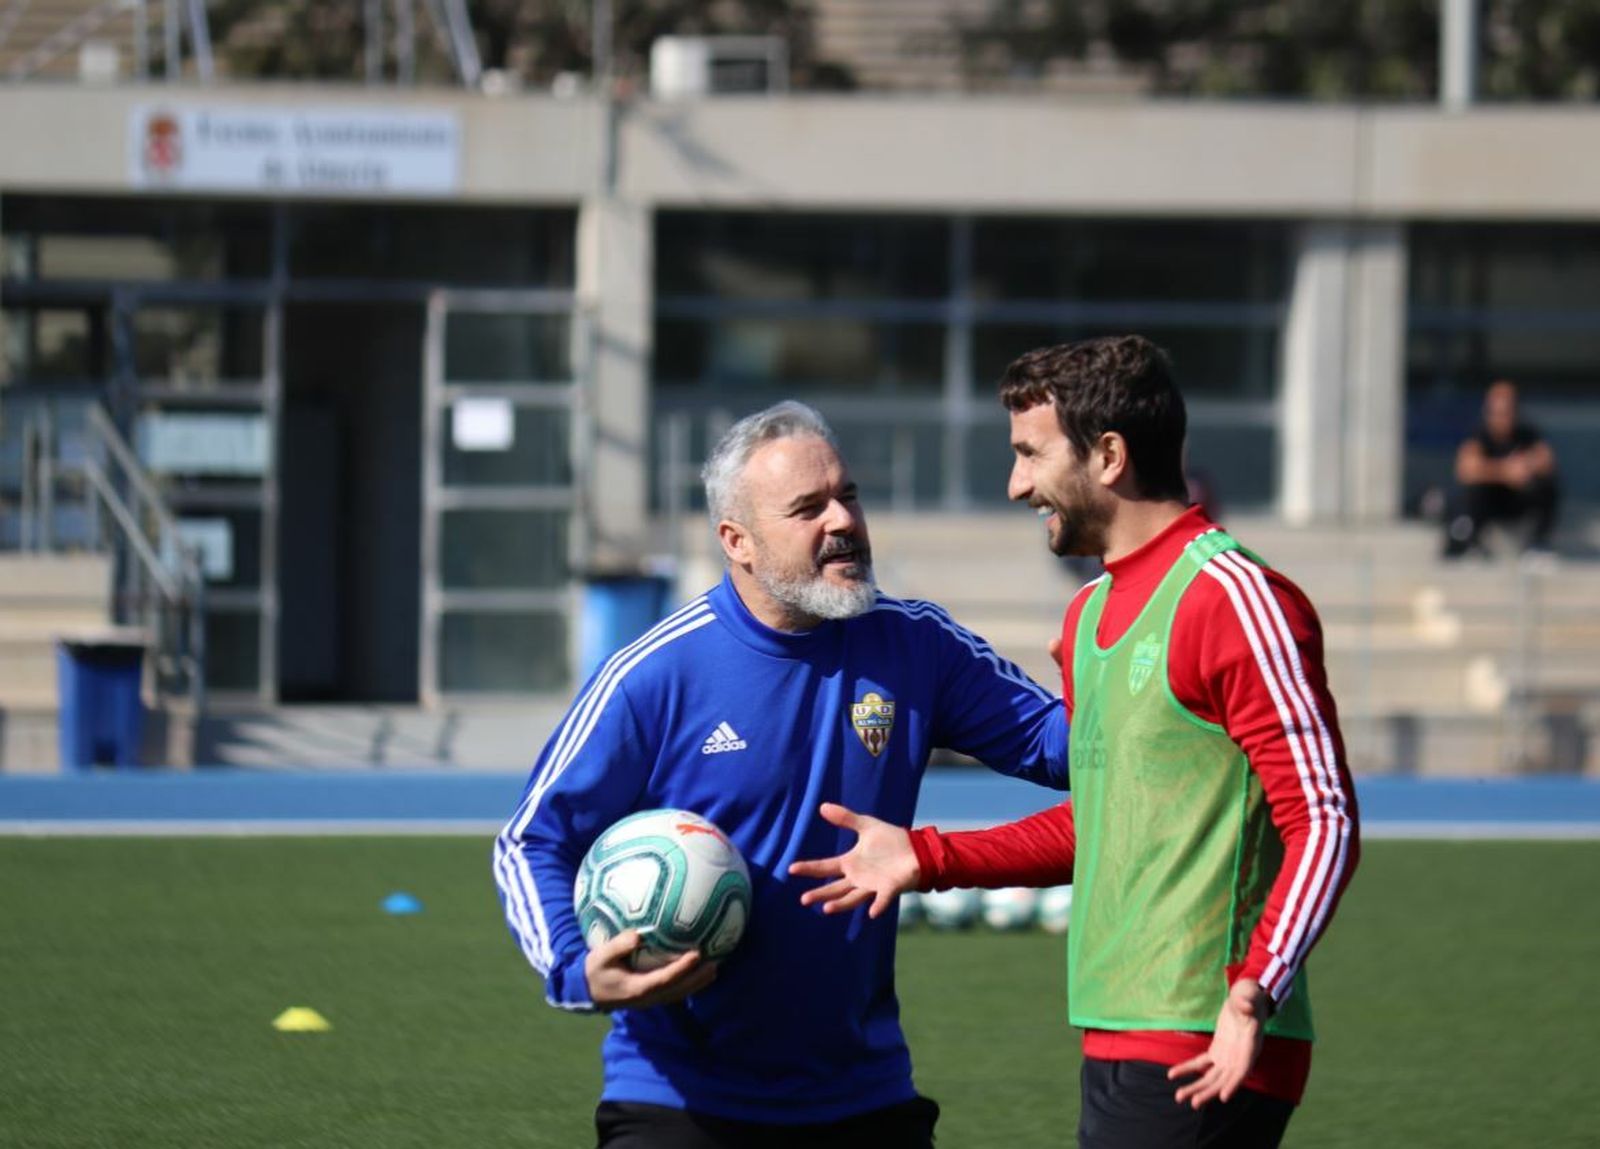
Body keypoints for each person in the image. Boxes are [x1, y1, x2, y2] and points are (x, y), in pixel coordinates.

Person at [791, 336, 1361, 1149]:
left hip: (1208, 1037)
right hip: (1114, 1028)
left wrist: (1253, 991)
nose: (1016, 483)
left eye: (1030, 454)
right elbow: (1106, 825)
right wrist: (929, 856)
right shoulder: (1088, 615)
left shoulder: (1234, 599)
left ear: (1110, 456)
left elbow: (1325, 819)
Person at [493, 400, 1071, 1148]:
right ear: (738, 540)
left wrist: (1128, 654)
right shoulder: (656, 673)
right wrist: (577, 969)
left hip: (862, 1092)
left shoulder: (916, 645)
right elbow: (532, 839)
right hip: (679, 1099)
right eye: (808, 508)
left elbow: (1061, 746)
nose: (842, 521)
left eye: (848, 495)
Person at [1442, 379, 1560, 559]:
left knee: (1547, 485)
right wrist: (1504, 471)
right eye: (1495, 413)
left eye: (1506, 412)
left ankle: (1539, 544)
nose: (1501, 418)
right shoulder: (1480, 435)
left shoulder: (1526, 434)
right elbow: (1465, 469)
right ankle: (1469, 543)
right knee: (1468, 493)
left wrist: (1525, 466)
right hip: (1490, 501)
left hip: (1517, 500)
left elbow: (1547, 460)